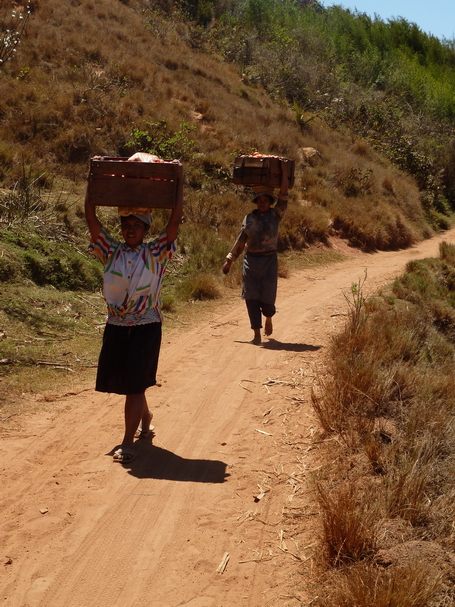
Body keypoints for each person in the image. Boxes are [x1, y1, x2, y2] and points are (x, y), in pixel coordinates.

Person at [84, 153, 184, 464]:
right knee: (130, 381)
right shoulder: (109, 251)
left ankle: (127, 441)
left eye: (136, 225)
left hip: (146, 327)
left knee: (134, 384)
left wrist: (178, 183)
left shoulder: (157, 252)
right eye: (126, 224)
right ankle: (146, 417)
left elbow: (174, 222)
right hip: (116, 326)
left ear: (144, 229)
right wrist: (94, 183)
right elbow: (91, 217)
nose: (130, 229)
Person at [222, 159, 291, 345]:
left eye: (265, 200)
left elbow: (284, 195)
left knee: (268, 298)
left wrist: (284, 171)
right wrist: (230, 260)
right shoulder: (249, 218)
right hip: (250, 262)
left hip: (269, 262)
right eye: (259, 200)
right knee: (251, 298)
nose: (261, 203)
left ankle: (268, 317)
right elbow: (241, 239)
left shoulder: (276, 215)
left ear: (270, 202)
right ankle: (256, 334)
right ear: (255, 201)